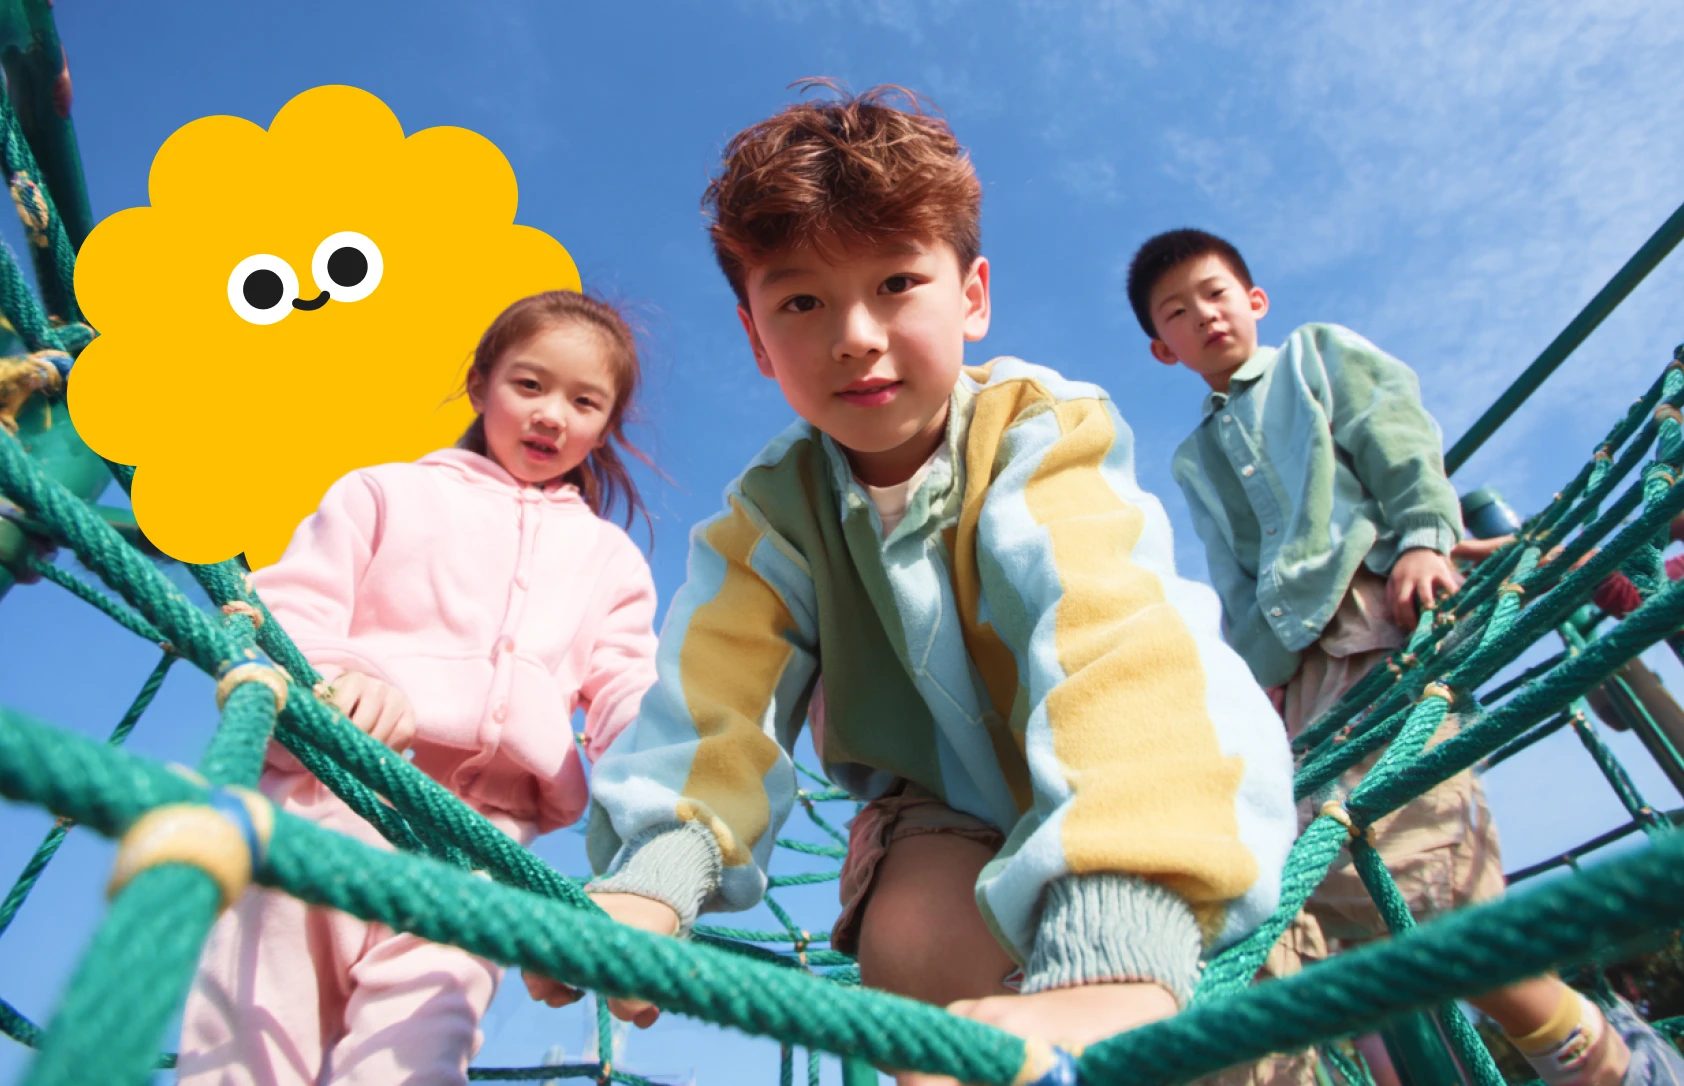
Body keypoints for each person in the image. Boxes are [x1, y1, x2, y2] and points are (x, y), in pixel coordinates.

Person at [524, 84, 1298, 1086]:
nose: (854, 333)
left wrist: (1115, 941)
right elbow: (717, 698)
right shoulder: (768, 514)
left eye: (895, 283)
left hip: (1124, 767)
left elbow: (1108, 631)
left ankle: (1131, 942)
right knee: (913, 941)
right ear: (758, 343)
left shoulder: (1039, 428)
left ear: (971, 295)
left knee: (1200, 1035)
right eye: (801, 301)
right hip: (931, 802)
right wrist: (656, 880)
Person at [1132, 226, 1684, 1086]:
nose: (1203, 315)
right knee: (1284, 895)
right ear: (1161, 349)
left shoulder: (1314, 359)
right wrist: (1257, 683)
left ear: (1253, 300)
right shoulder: (1194, 455)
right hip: (1299, 680)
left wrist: (1426, 535)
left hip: (1384, 618)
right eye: (1177, 311)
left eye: (1215, 293)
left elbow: (1392, 435)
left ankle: (1617, 1064)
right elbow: (1232, 575)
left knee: (1420, 884)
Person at [176, 290, 662, 1086]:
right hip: (326, 799)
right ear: (479, 385)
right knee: (254, 1044)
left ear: (605, 427)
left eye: (584, 402)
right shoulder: (386, 492)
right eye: (529, 385)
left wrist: (660, 799)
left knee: (415, 1059)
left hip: (480, 850)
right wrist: (345, 676)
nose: (551, 416)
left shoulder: (609, 561)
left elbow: (624, 693)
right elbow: (290, 606)